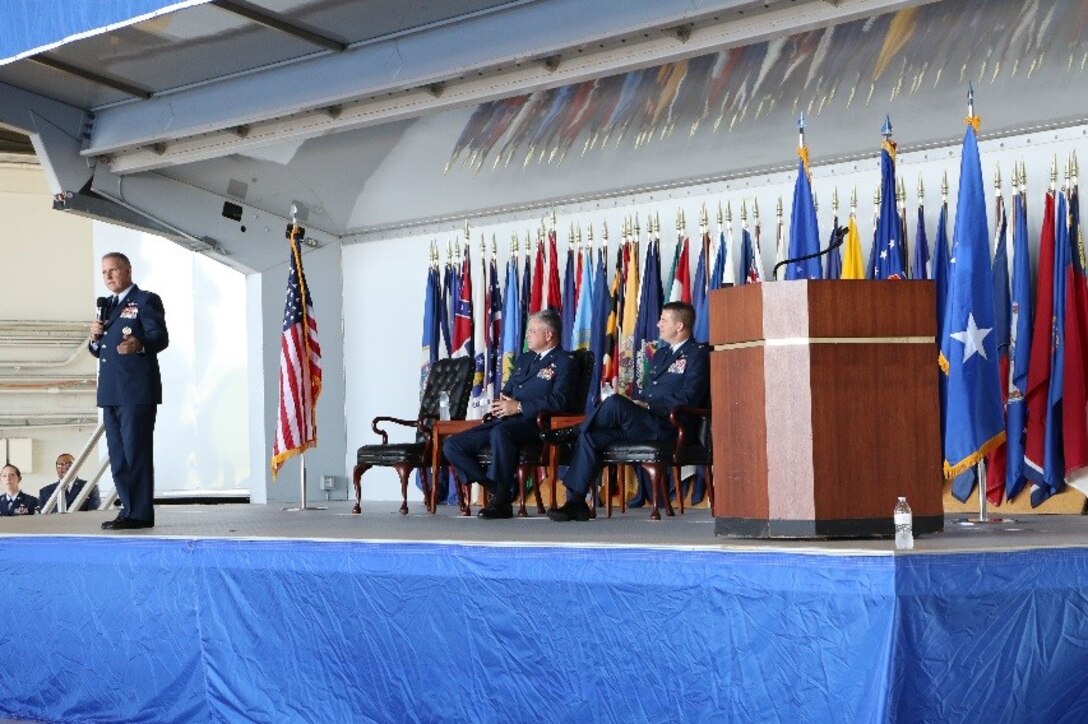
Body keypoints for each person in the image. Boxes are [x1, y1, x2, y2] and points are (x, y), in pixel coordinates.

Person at [546, 301, 709, 522]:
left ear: (679, 326)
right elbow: (650, 392)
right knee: (591, 436)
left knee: (614, 402)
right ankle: (575, 502)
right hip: (645, 423)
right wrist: (639, 403)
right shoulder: (661, 354)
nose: (658, 324)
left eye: (663, 320)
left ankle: (573, 431)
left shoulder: (697, 354)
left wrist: (648, 406)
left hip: (670, 425)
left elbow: (690, 397)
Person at [443, 310, 577, 519]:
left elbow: (559, 401)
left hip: (536, 424)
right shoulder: (525, 360)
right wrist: (504, 403)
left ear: (548, 335)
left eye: (533, 331)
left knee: (501, 433)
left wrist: (520, 407)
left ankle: (501, 503)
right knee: (452, 445)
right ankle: (498, 488)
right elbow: (510, 389)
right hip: (506, 420)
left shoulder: (564, 361)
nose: (528, 336)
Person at [88, 252, 169, 530]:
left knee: (136, 453)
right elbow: (99, 351)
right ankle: (128, 508)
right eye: (104, 272)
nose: (108, 277)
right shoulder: (108, 306)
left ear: (128, 271)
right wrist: (93, 338)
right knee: (119, 456)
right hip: (111, 392)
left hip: (136, 392)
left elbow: (160, 337)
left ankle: (141, 513)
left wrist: (141, 343)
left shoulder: (146, 300)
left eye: (113, 270)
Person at [37, 453, 101, 513]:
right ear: (56, 468)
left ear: (76, 466)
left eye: (69, 464)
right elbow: (42, 519)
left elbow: (94, 515)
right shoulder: (45, 492)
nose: (65, 467)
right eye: (61, 464)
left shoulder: (90, 487)